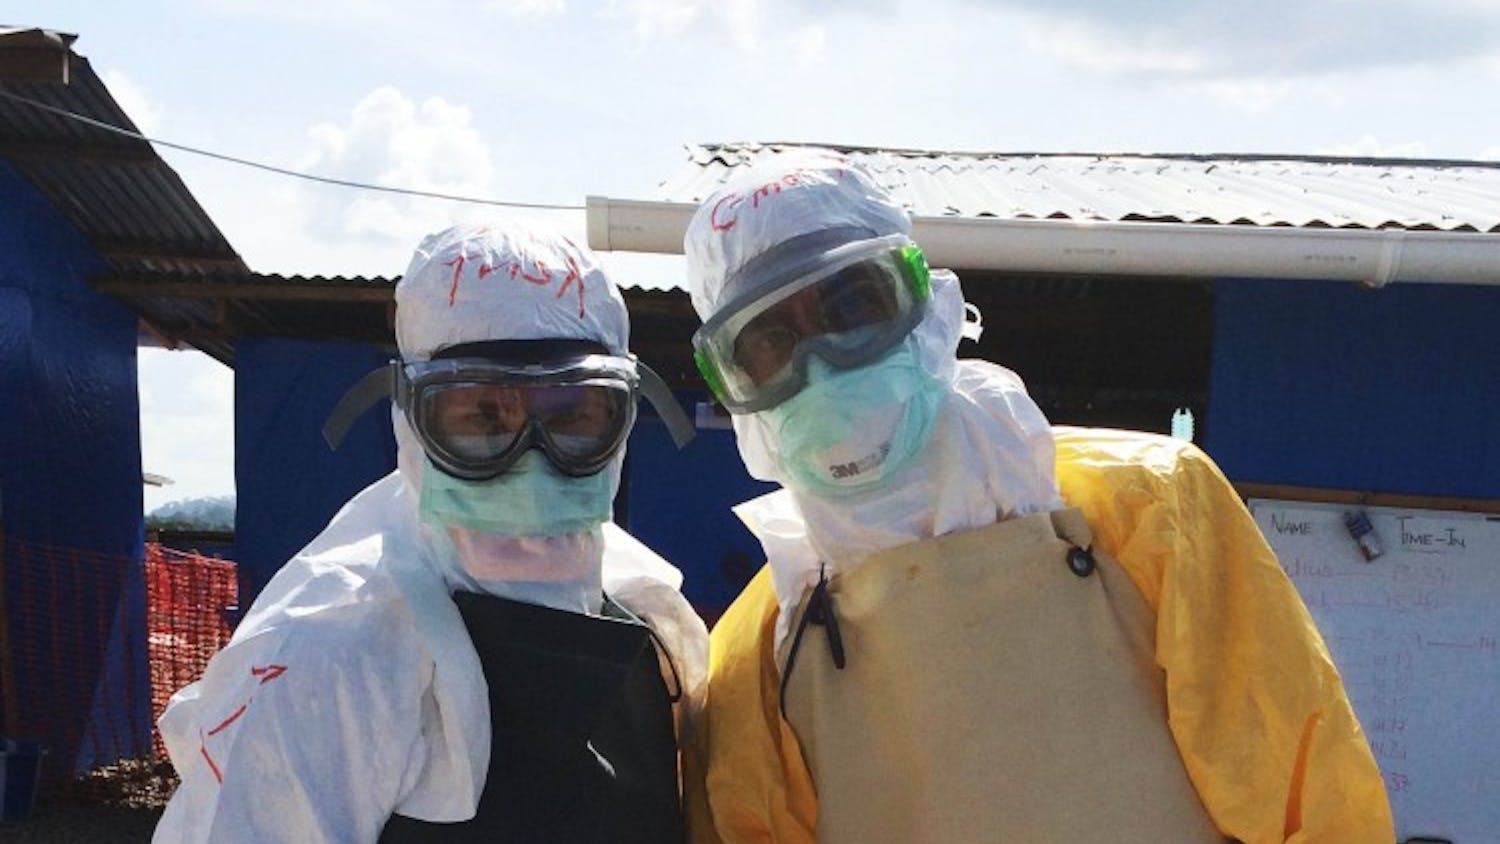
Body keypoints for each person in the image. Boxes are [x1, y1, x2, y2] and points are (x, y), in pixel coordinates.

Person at [681, 151, 1394, 843]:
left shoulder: (1151, 508)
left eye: (851, 304)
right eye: (772, 339)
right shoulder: (758, 651)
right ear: (738, 384)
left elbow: (1316, 807)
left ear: (922, 302)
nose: (824, 359)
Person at [153, 223, 707, 843]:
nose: (531, 460)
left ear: (622, 422)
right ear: (413, 424)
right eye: (481, 417)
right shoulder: (333, 650)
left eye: (575, 415)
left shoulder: (647, 613)